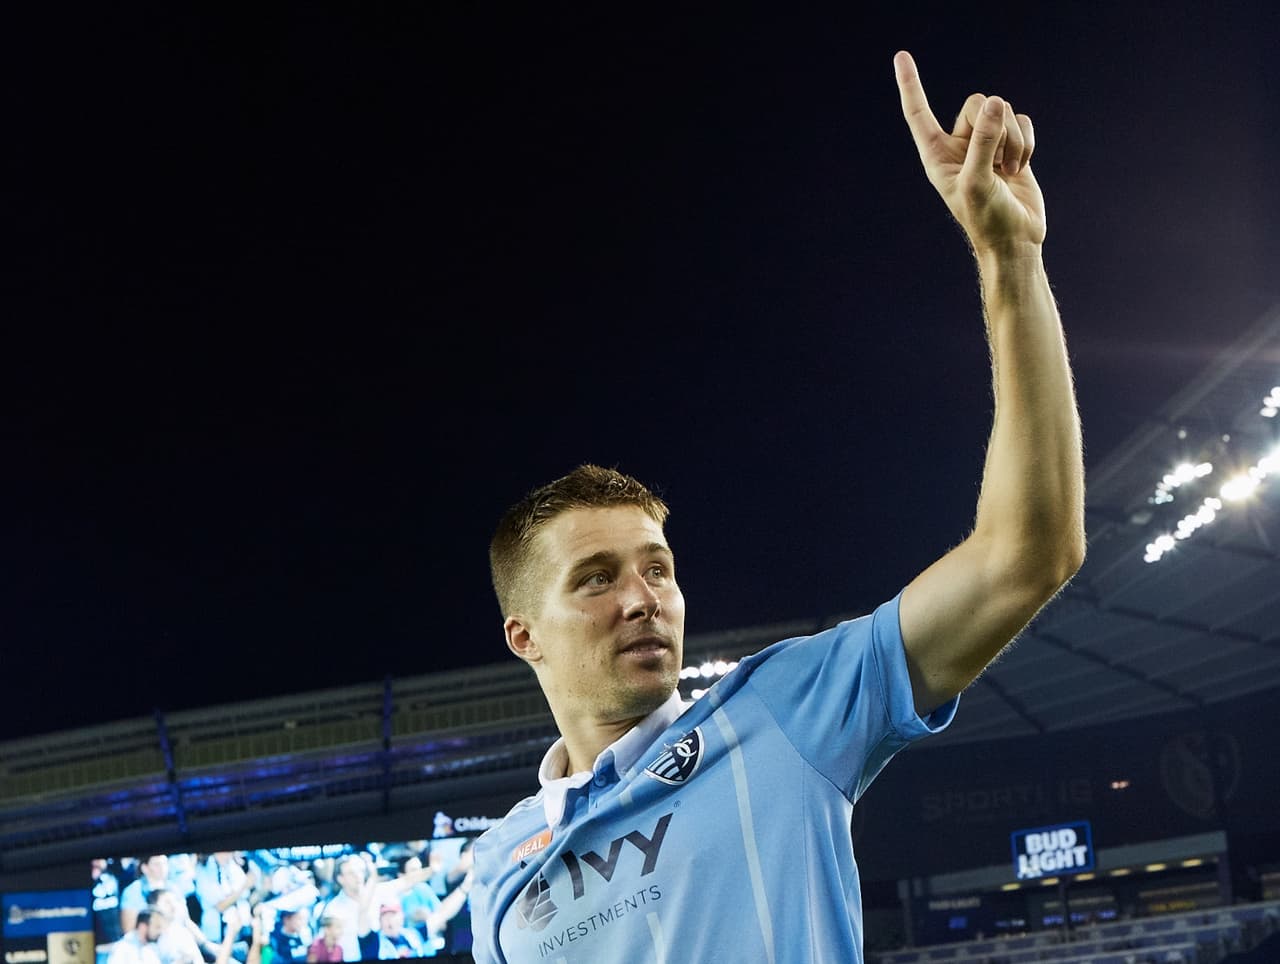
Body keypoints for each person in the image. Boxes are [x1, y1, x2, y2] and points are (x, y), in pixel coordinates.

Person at [467, 49, 1085, 964]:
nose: (643, 599)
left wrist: (1010, 259)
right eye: (595, 579)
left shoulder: (785, 711)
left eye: (658, 569)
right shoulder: (498, 867)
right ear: (525, 635)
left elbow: (1025, 554)